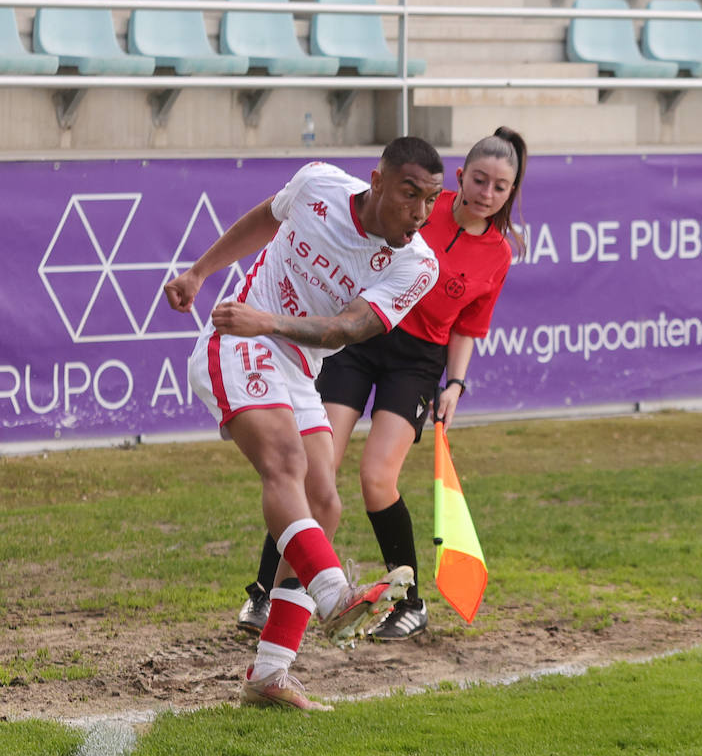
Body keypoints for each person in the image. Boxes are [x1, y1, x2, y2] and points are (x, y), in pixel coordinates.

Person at [164, 137, 445, 712]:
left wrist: (271, 320)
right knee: (286, 465)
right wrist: (198, 272)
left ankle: (270, 673)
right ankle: (334, 592)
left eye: (432, 200)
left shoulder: (417, 262)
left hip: (292, 358)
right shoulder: (318, 184)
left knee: (324, 502)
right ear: (378, 181)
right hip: (237, 341)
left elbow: (346, 329)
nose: (420, 214)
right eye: (410, 195)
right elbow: (266, 220)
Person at [236, 128, 527, 642]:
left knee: (377, 480)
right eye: (479, 180)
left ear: (511, 192)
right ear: (459, 178)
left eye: (500, 187)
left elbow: (468, 327)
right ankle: (266, 593)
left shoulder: (499, 254)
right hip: (359, 339)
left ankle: (409, 603)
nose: (487, 193)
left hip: (416, 361)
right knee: (311, 467)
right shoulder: (418, 206)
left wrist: (454, 383)